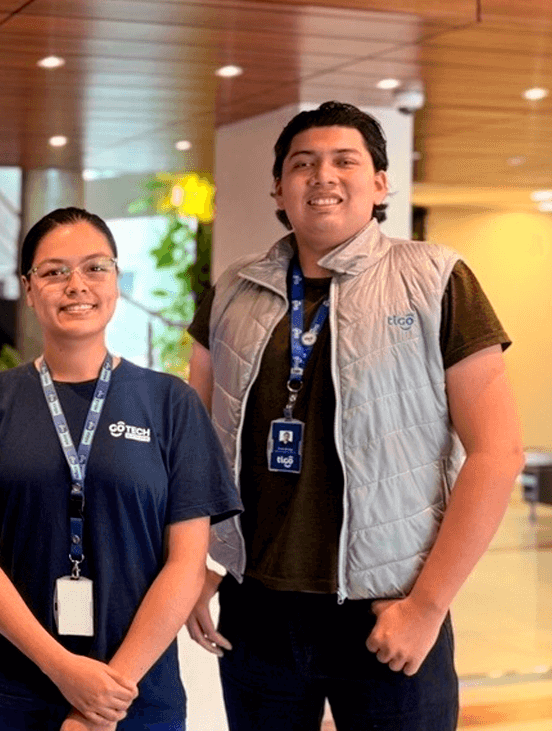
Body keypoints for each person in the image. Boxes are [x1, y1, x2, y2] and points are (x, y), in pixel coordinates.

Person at [184, 101, 524, 730]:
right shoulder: (232, 290)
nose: (323, 177)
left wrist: (425, 607)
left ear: (380, 182)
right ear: (278, 188)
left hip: (385, 611)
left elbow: (497, 451)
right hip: (257, 610)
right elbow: (191, 447)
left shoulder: (434, 278)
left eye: (346, 160)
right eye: (302, 164)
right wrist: (191, 568)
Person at [0, 207, 241, 731]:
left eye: (95, 267)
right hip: (14, 689)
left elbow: (186, 565)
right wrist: (62, 670)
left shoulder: (169, 403)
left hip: (135, 696)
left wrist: (102, 701)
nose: (76, 285)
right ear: (29, 286)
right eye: (54, 270)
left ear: (116, 279)